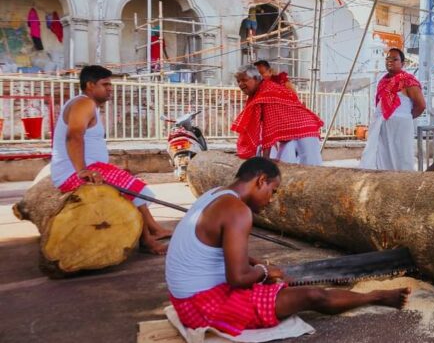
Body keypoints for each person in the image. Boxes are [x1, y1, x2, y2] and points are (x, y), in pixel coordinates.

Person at [165, 157, 410, 336]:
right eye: (272, 191)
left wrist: (256, 265)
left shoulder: (215, 194)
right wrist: (264, 271)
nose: (271, 200)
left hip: (185, 299)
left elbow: (214, 248)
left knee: (279, 281)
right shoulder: (237, 211)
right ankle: (375, 296)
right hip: (203, 306)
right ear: (261, 180)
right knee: (314, 295)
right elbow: (238, 278)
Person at [50, 65, 171, 254]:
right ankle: (147, 239)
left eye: (110, 84)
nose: (110, 88)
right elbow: (73, 136)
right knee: (130, 187)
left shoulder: (87, 105)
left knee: (131, 183)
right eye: (105, 84)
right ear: (90, 85)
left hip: (87, 168)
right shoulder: (84, 103)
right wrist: (82, 170)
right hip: (72, 173)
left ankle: (152, 229)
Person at [232, 65, 323, 165]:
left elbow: (269, 129)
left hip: (305, 129)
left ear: (256, 78)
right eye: (238, 81)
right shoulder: (259, 91)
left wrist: (265, 158)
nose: (241, 84)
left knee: (312, 164)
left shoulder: (267, 92)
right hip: (288, 134)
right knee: (282, 165)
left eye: (244, 80)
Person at [360, 48, 426, 171]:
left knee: (402, 159)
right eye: (388, 59)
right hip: (382, 128)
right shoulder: (382, 82)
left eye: (395, 59)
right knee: (382, 159)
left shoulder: (408, 81)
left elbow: (421, 105)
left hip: (401, 128)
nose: (390, 62)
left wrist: (405, 117)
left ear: (402, 63)